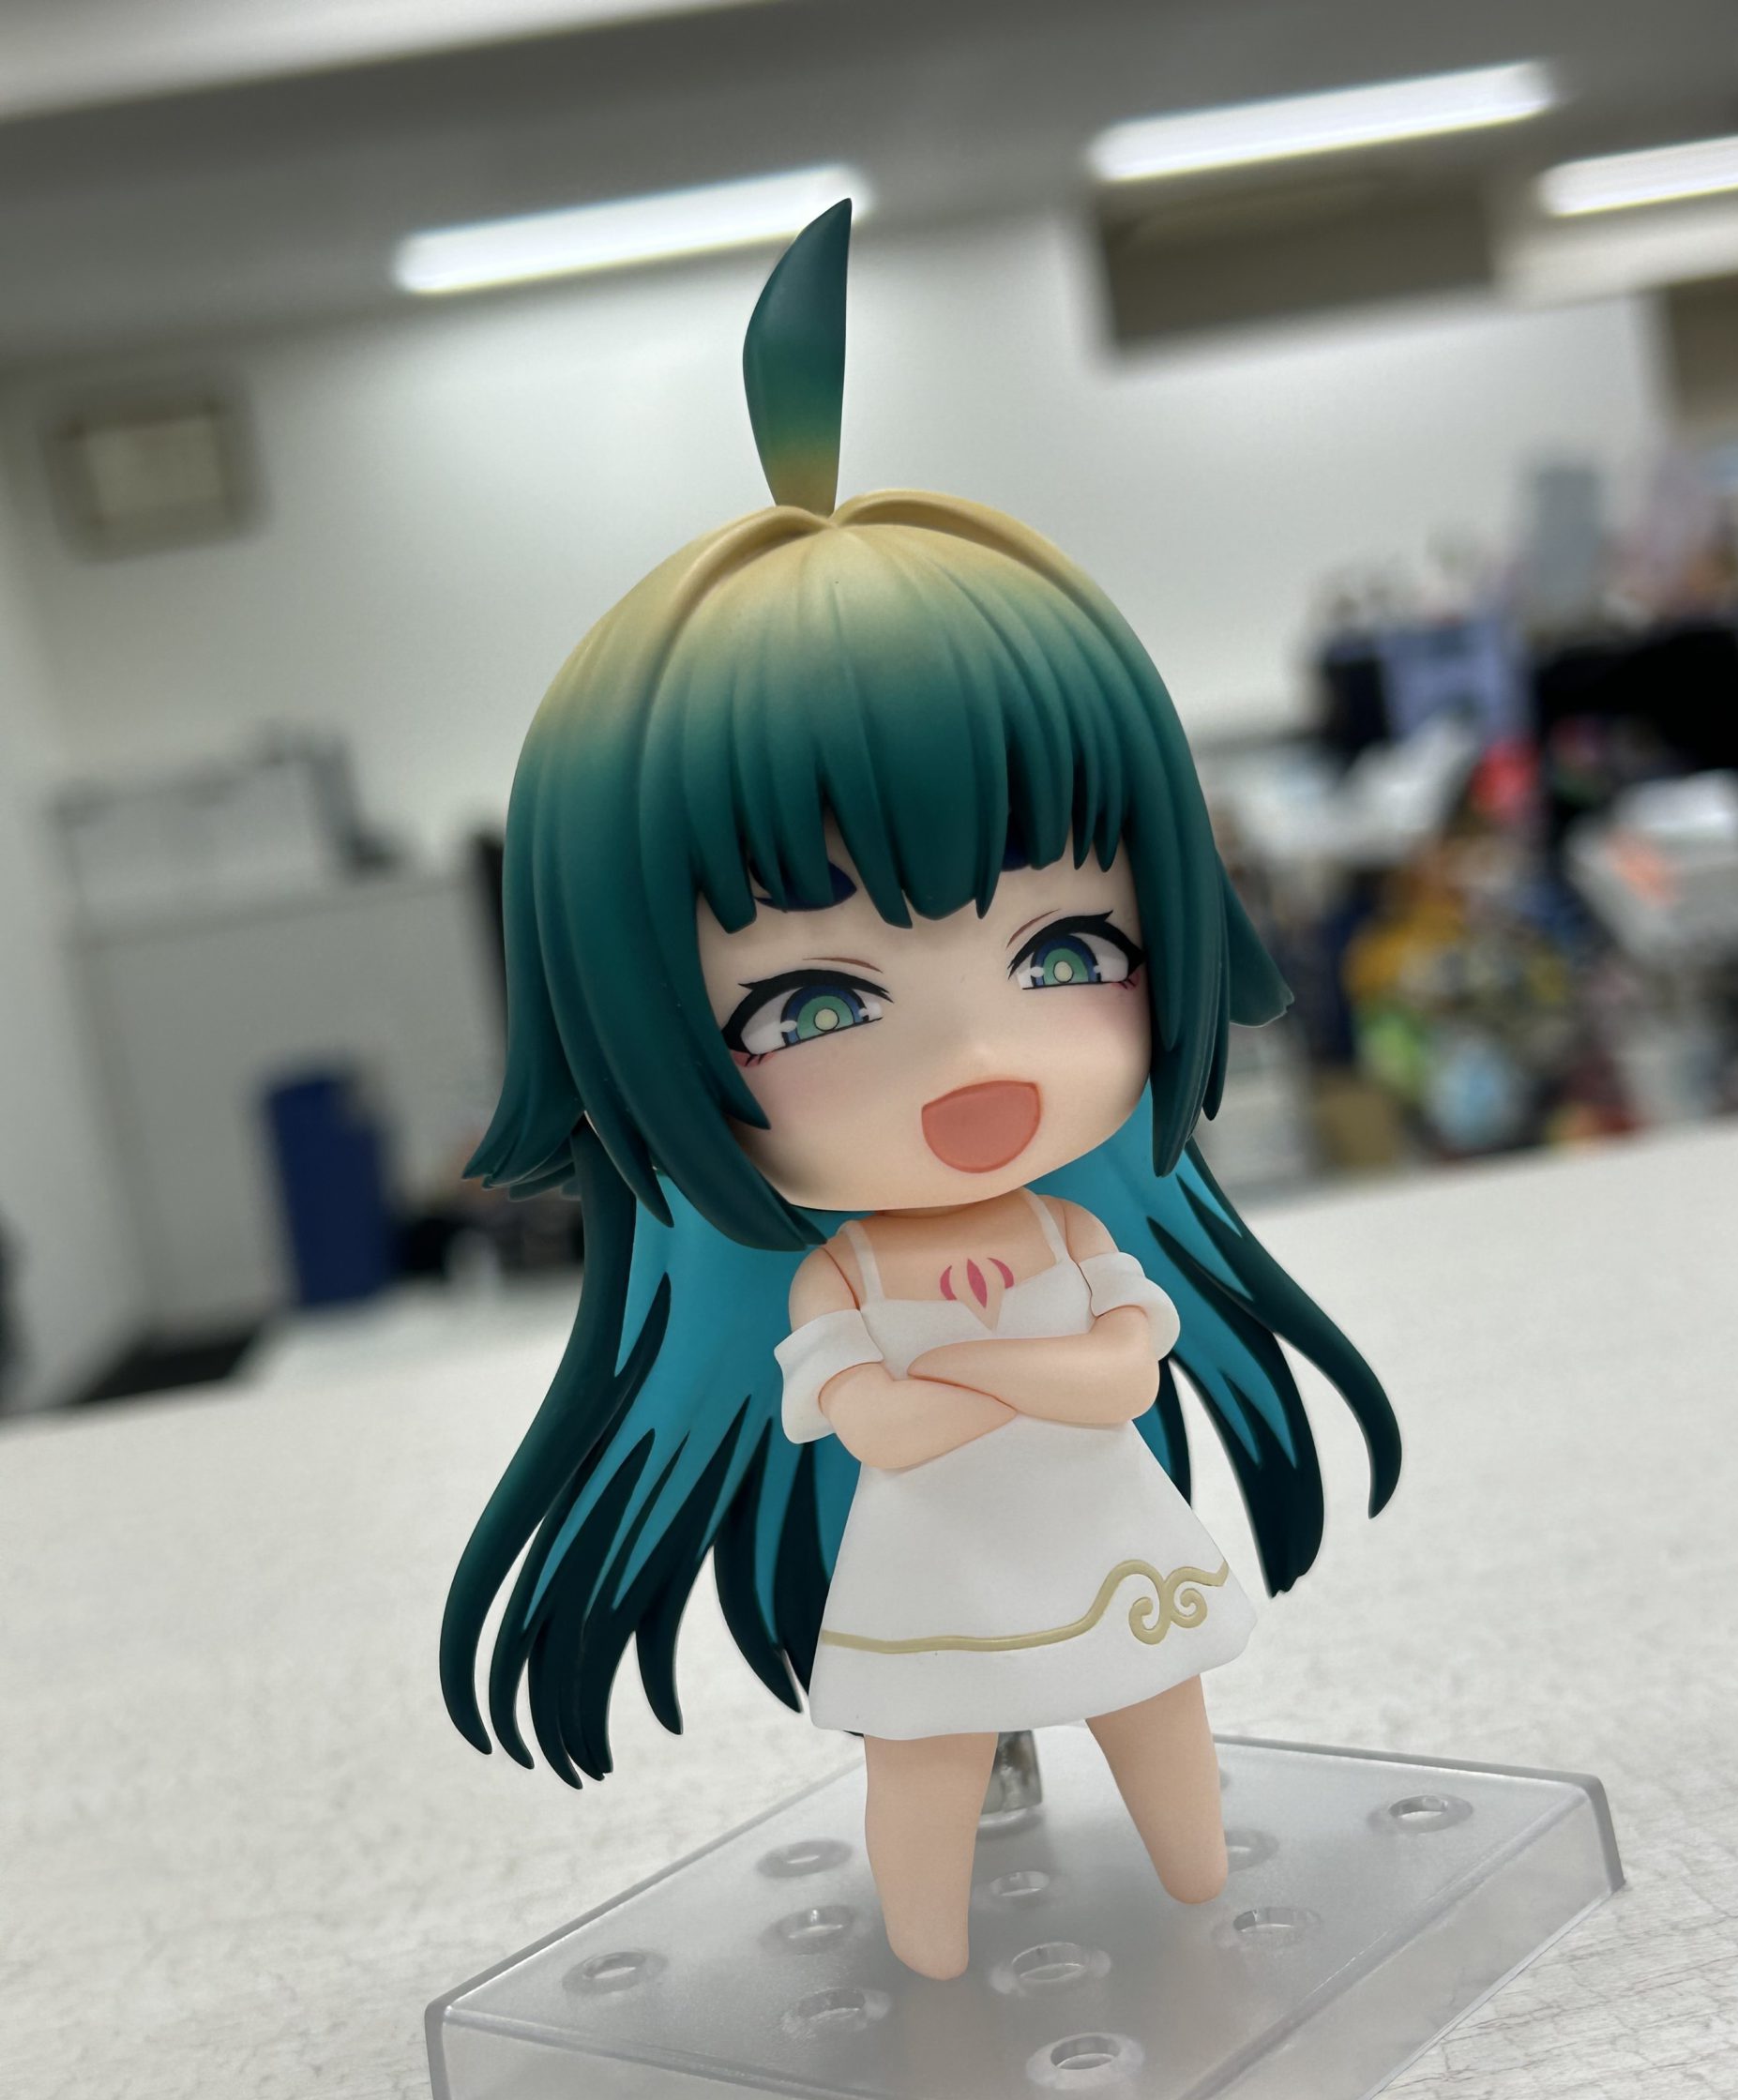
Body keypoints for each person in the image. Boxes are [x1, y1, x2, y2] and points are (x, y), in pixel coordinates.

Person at [441, 201, 1399, 1977]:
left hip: (1094, 1542)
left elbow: (1115, 1373)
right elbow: (890, 1429)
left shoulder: (1000, 1257)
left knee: (1159, 1710)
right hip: (940, 1583)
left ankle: (1197, 1893)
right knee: (933, 1756)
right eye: (815, 1003)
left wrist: (957, 1371)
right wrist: (1011, 1377)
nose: (977, 1068)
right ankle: (940, 1969)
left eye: (1065, 952)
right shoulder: (844, 1275)